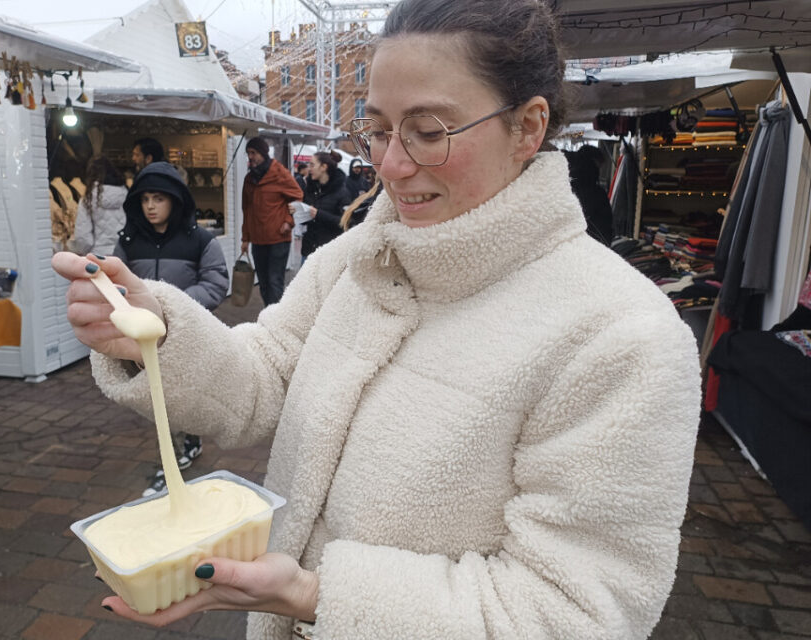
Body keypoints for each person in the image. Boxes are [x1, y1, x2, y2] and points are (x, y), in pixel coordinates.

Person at [52, 1, 701, 637]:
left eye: (429, 131)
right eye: (379, 129)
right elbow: (268, 373)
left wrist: (316, 596)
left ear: (529, 128)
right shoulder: (355, 259)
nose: (391, 165)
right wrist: (155, 334)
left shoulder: (620, 337)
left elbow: (578, 611)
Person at [112, 162, 228, 490]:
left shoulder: (200, 240)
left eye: (159, 199)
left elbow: (216, 282)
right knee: (160, 398)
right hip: (145, 339)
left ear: (175, 201)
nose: (150, 206)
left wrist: (173, 308)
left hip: (186, 334)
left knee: (182, 394)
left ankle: (181, 451)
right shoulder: (129, 242)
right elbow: (114, 283)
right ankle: (178, 450)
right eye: (145, 198)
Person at [240, 137, 303, 306]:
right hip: (258, 239)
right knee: (264, 283)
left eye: (253, 153)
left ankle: (276, 321)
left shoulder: (279, 173)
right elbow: (246, 209)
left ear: (263, 153)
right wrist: (245, 238)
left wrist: (288, 221)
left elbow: (298, 196)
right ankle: (269, 315)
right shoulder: (249, 179)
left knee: (275, 282)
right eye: (248, 153)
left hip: (278, 238)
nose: (250, 157)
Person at [69, 156, 128, 256]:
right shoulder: (127, 195)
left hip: (99, 256)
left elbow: (84, 238)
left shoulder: (87, 199)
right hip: (124, 253)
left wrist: (83, 252)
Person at [299, 151, 352, 263]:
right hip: (308, 250)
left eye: (312, 165)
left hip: (329, 253)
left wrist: (318, 214)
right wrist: (299, 212)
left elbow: (346, 222)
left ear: (323, 167)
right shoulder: (310, 189)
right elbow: (307, 219)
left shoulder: (342, 192)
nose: (309, 168)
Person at [566, 145, 614, 246]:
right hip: (592, 248)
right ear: (593, 164)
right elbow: (604, 228)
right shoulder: (597, 194)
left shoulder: (564, 187)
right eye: (599, 166)